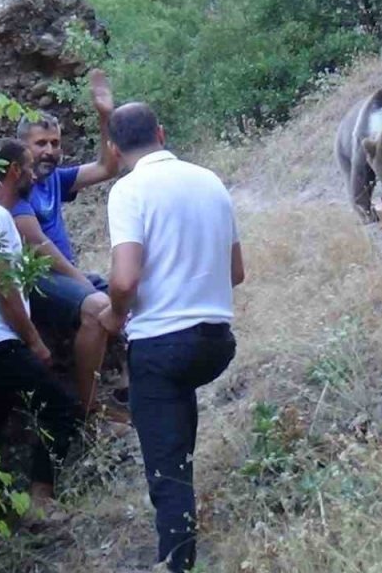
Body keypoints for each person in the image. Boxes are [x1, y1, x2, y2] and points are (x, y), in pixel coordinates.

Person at [100, 102, 246, 572]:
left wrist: (113, 316)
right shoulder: (210, 181)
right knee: (176, 427)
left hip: (162, 345)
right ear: (161, 134)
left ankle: (177, 563)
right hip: (216, 341)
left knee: (167, 472)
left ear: (113, 149)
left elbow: (124, 279)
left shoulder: (128, 191)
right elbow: (236, 272)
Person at [0, 137, 80, 507]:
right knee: (60, 407)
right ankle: (41, 499)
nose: (33, 177)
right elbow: (3, 286)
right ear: (13, 171)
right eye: (28, 168)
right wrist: (34, 341)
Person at [11, 69, 125, 420]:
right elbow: (38, 245)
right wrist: (81, 281)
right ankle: (88, 408)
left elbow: (107, 167)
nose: (49, 151)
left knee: (134, 296)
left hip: (65, 276)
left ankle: (131, 384)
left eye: (55, 143)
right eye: (40, 144)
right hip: (35, 279)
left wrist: (105, 116)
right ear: (23, 147)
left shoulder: (55, 180)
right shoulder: (15, 188)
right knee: (96, 306)